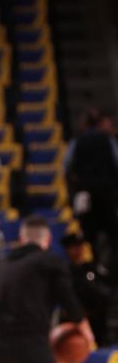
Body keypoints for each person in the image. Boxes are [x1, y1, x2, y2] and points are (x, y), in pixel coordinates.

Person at [0, 215, 95, 363]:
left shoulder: (2, 265)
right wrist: (86, 330)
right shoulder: (49, 261)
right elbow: (67, 298)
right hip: (29, 340)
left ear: (21, 239)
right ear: (48, 240)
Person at [64, 108, 118, 271]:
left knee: (89, 234)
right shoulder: (107, 140)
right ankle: (111, 269)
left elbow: (67, 166)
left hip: (86, 194)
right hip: (107, 194)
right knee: (113, 233)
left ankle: (93, 269)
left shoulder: (77, 141)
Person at [59, 232, 113, 346]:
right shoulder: (63, 272)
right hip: (75, 320)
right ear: (67, 250)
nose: (79, 250)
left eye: (80, 246)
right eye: (74, 247)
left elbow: (104, 291)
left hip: (97, 320)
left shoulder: (92, 268)